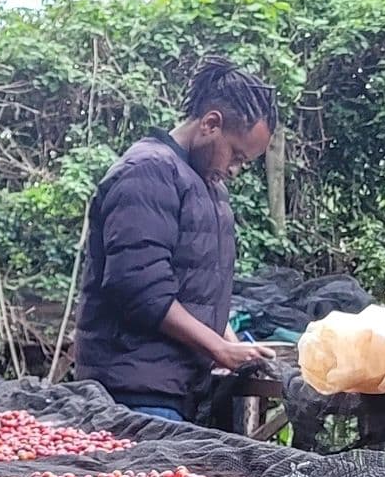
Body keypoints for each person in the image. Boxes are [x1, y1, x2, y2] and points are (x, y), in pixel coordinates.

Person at [74, 56, 281, 423]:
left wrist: (232, 343)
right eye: (236, 154)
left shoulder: (208, 186)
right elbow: (141, 290)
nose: (235, 170)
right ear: (211, 124)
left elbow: (197, 290)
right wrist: (217, 347)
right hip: (135, 392)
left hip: (180, 390)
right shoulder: (147, 172)